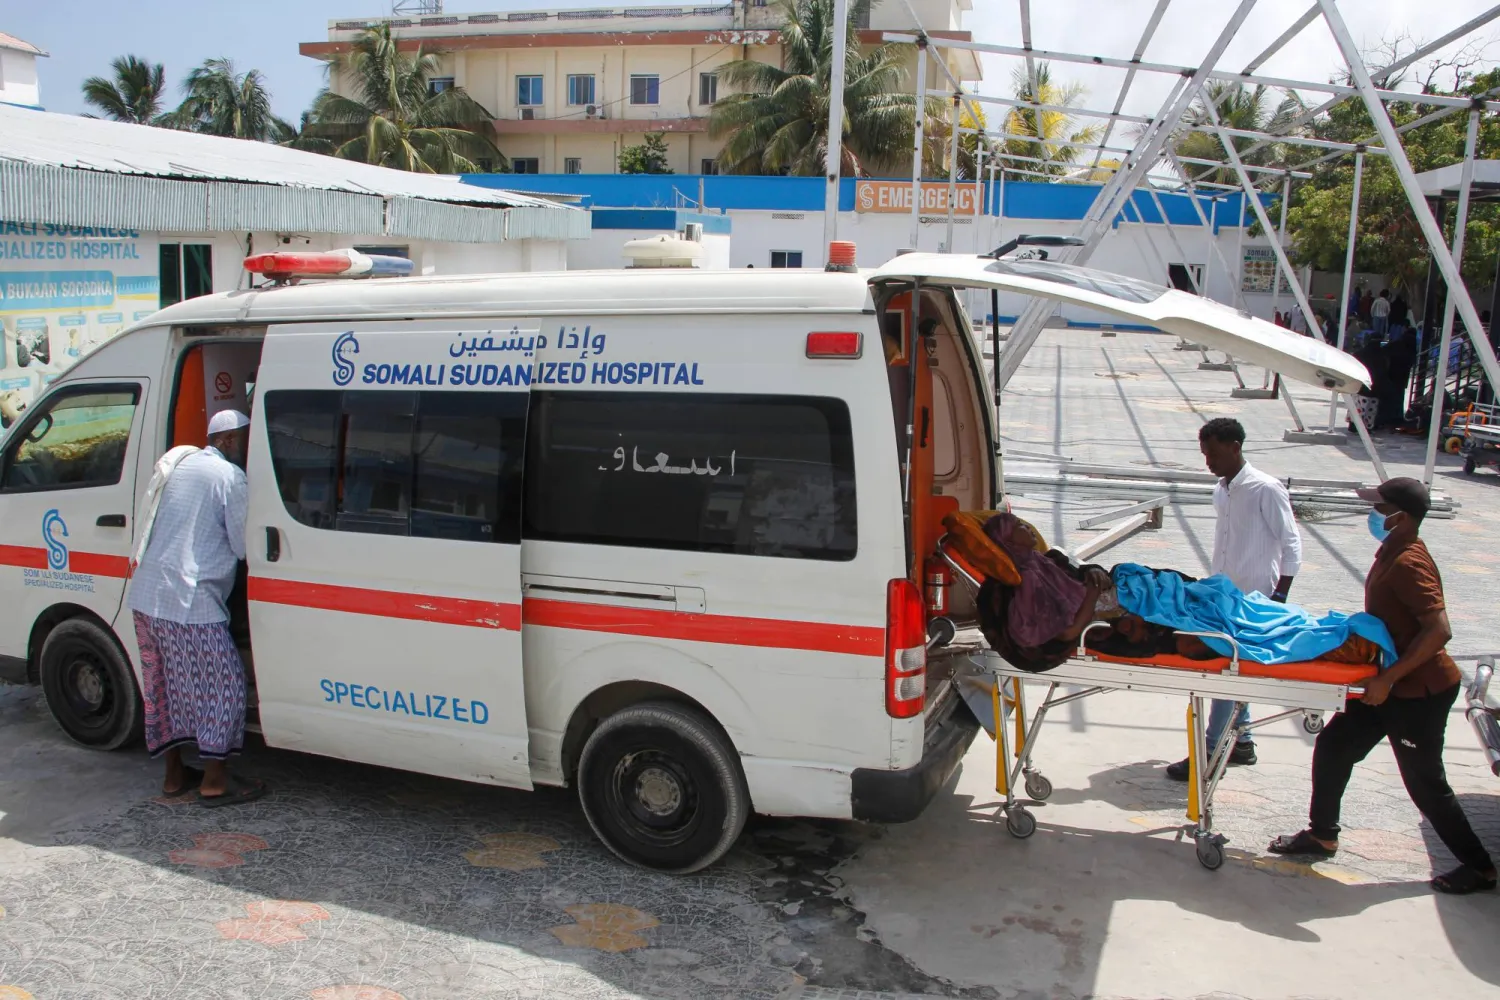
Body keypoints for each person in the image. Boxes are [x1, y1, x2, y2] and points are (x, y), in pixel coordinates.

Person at [1270, 478, 1495, 895]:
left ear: (1401, 517)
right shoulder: (1393, 550)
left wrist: (1389, 679)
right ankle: (1322, 835)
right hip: (1387, 684)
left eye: (1380, 507)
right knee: (1335, 746)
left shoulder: (1410, 562)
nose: (1372, 514)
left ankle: (1480, 867)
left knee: (1426, 784)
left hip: (1417, 693)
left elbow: (1439, 630)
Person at [127, 409, 265, 807]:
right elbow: (244, 548)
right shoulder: (229, 477)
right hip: (190, 602)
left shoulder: (183, 465)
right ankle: (215, 781)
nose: (246, 447)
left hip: (147, 598)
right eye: (243, 438)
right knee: (224, 686)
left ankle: (174, 777)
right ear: (227, 440)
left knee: (164, 688)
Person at [1165, 418, 1302, 781]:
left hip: (1256, 598)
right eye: (1204, 454)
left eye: (1212, 453)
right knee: (1233, 669)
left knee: (1225, 672)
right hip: (1224, 594)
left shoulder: (1265, 489)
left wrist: (1280, 596)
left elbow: (1290, 544)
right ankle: (1242, 743)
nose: (1208, 461)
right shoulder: (1221, 491)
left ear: (1235, 448)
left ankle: (1210, 753)